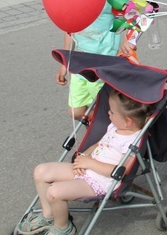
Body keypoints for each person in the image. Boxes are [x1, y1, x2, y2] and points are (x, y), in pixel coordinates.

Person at [17, 89, 154, 235]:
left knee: (54, 192)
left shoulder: (132, 141)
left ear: (128, 121)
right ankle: (49, 215)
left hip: (100, 181)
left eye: (112, 113)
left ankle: (63, 227)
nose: (108, 113)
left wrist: (89, 163)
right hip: (87, 167)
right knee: (41, 171)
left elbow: (120, 171)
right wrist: (83, 157)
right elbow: (98, 145)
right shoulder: (114, 127)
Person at [53, 0, 131, 119]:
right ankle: (102, 130)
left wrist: (126, 39)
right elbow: (69, 28)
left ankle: (109, 137)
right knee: (76, 112)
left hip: (103, 64)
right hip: (80, 62)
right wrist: (66, 61)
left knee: (107, 112)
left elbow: (135, 13)